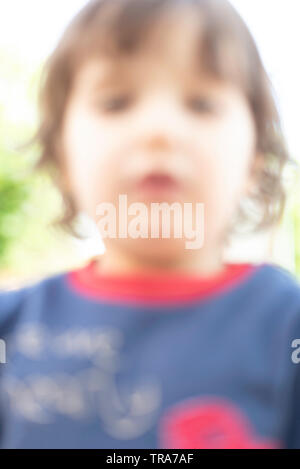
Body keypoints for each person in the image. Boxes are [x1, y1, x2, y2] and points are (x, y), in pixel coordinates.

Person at [0, 0, 300, 449]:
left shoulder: (286, 329)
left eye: (201, 103)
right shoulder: (12, 329)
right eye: (116, 102)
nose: (159, 129)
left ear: (253, 162)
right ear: (63, 156)